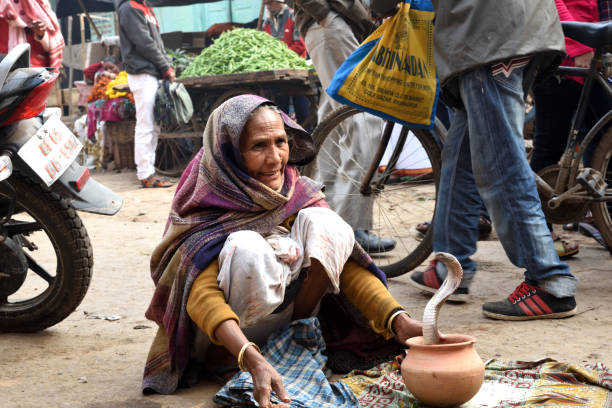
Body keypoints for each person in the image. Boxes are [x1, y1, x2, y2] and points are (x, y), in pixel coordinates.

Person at [141, 95, 427, 407]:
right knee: (246, 247)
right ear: (230, 153)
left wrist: (397, 319)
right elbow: (201, 294)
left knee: (328, 224)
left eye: (280, 142)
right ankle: (224, 358)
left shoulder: (296, 191)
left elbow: (347, 265)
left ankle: (297, 337)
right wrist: (250, 357)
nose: (276, 158)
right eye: (258, 146)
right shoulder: (205, 202)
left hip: (289, 318)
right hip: (227, 335)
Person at [371, 0, 579, 320]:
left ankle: (549, 281)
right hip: (508, 27)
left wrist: (379, 8)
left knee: (499, 164)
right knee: (461, 158)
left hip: (488, 35)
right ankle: (450, 266)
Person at [292, 0, 396, 253]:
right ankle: (352, 227)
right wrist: (324, 14)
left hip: (340, 25)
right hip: (332, 23)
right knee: (363, 121)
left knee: (333, 125)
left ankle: (319, 219)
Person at [115, 0, 175, 188]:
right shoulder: (129, 8)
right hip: (142, 74)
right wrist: (165, 66)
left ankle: (150, 171)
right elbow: (144, 42)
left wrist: (167, 64)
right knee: (146, 124)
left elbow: (157, 41)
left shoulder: (145, 7)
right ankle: (145, 173)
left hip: (152, 73)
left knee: (154, 125)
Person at [261, 0, 311, 127]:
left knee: (302, 109)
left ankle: (307, 138)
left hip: (297, 72)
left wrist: (278, 55)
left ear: (279, 1)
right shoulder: (266, 22)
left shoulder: (293, 16)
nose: (268, 7)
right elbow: (264, 47)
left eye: (270, 3)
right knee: (279, 110)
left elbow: (300, 45)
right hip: (276, 75)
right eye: (266, 4)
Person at [0, 0, 64, 70]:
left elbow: (53, 43)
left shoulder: (39, 3)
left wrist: (41, 34)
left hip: (36, 71)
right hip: (4, 68)